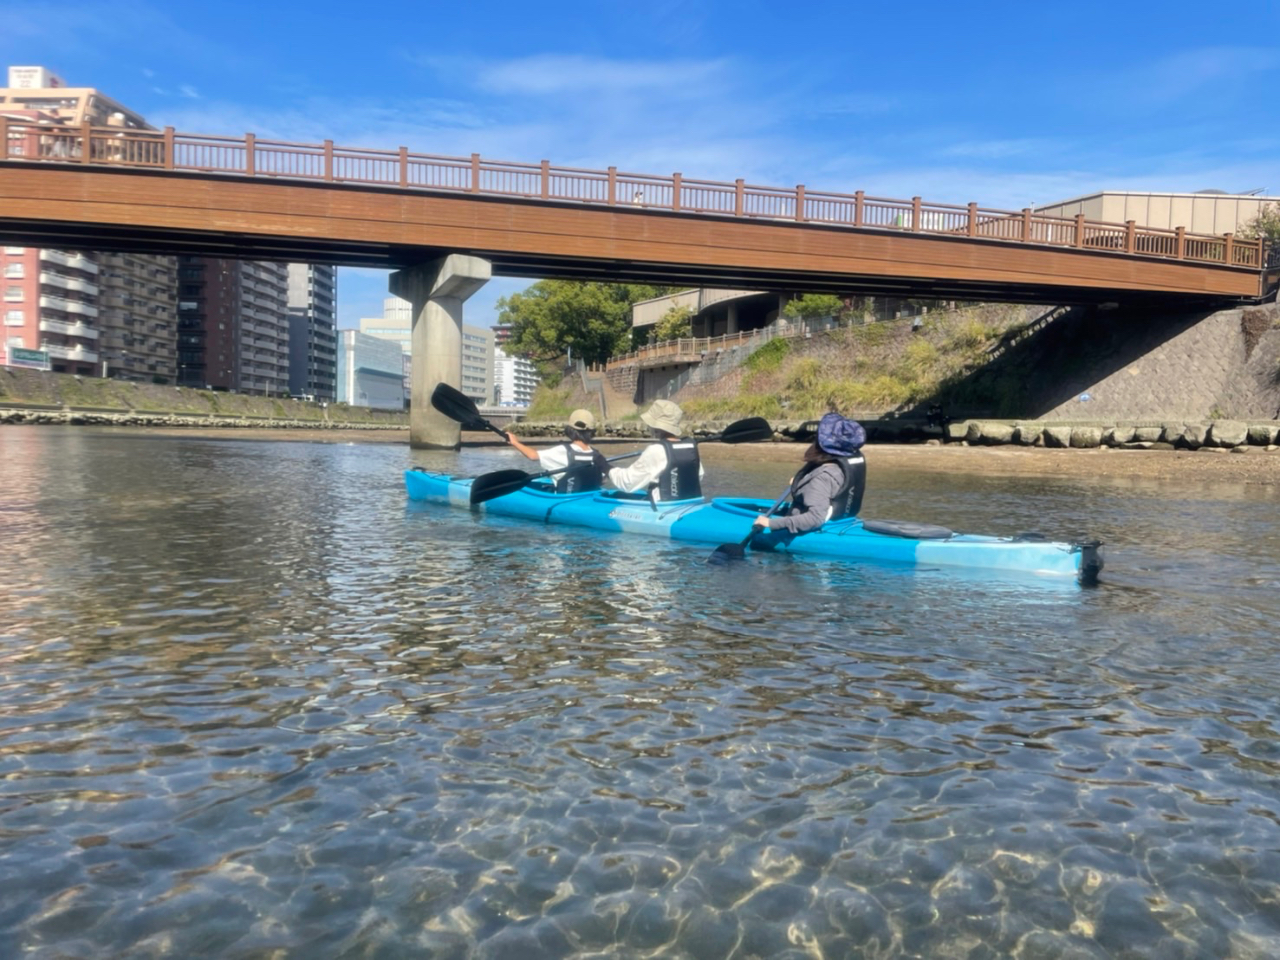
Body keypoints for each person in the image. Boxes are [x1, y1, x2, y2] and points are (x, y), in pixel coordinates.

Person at [753, 412, 866, 535]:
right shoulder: (841, 466)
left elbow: (815, 518)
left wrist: (770, 523)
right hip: (842, 522)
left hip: (809, 530)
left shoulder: (821, 477)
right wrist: (800, 482)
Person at [608, 399, 705, 502]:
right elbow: (699, 476)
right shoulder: (690, 446)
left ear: (655, 427)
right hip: (691, 504)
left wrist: (607, 469)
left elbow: (627, 483)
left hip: (662, 509)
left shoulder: (655, 450)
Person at [506, 409, 608, 494]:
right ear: (591, 432)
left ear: (570, 430)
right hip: (589, 499)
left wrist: (515, 442)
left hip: (567, 500)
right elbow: (602, 480)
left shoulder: (563, 451)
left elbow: (533, 456)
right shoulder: (597, 455)